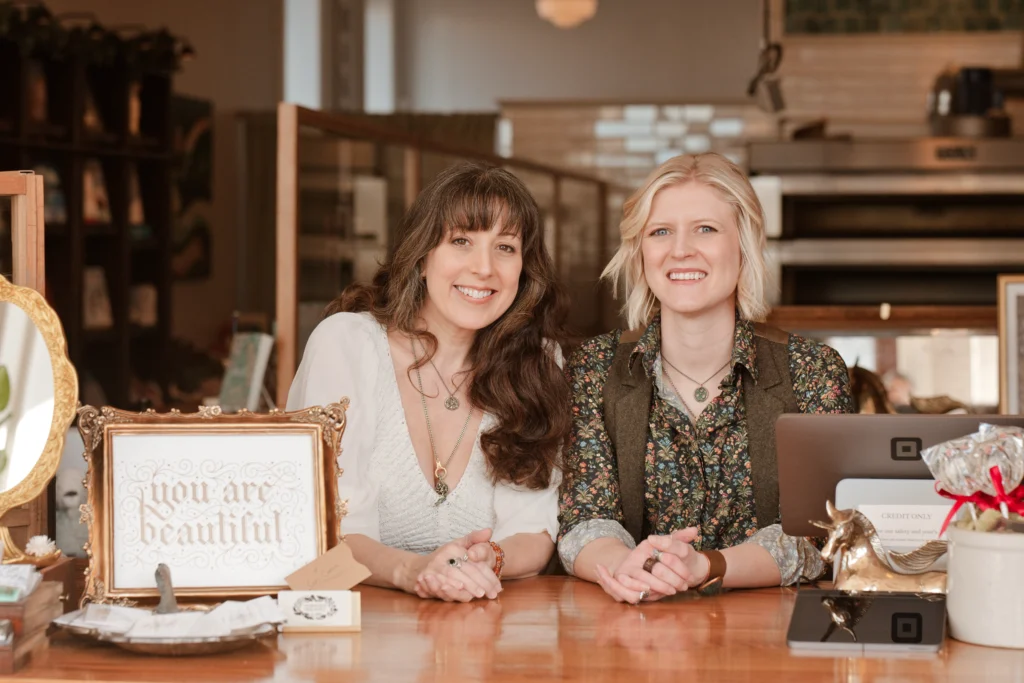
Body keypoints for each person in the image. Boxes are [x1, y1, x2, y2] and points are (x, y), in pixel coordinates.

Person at [558, 153, 855, 604]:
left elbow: (820, 536)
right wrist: (628, 566)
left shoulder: (812, 371)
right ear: (641, 252)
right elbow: (584, 520)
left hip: (769, 642)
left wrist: (706, 566)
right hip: (631, 634)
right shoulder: (593, 368)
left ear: (744, 245)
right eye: (661, 232)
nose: (681, 250)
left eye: (706, 229)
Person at [287, 162, 570, 602]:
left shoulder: (538, 364)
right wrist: (414, 571)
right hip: (358, 638)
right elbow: (322, 537)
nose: (484, 268)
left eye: (506, 248)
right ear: (421, 258)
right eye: (461, 241)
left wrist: (481, 561)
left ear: (524, 269)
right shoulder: (347, 345)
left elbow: (533, 530)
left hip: (480, 632)